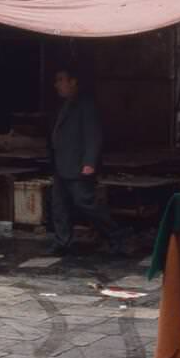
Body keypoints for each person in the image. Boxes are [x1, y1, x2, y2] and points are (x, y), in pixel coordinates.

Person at [49, 65, 128, 256]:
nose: (57, 85)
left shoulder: (85, 104)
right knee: (59, 204)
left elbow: (93, 135)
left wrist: (89, 162)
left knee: (86, 202)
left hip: (77, 165)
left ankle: (116, 235)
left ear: (73, 81)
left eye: (61, 80)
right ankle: (63, 242)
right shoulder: (66, 104)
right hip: (62, 164)